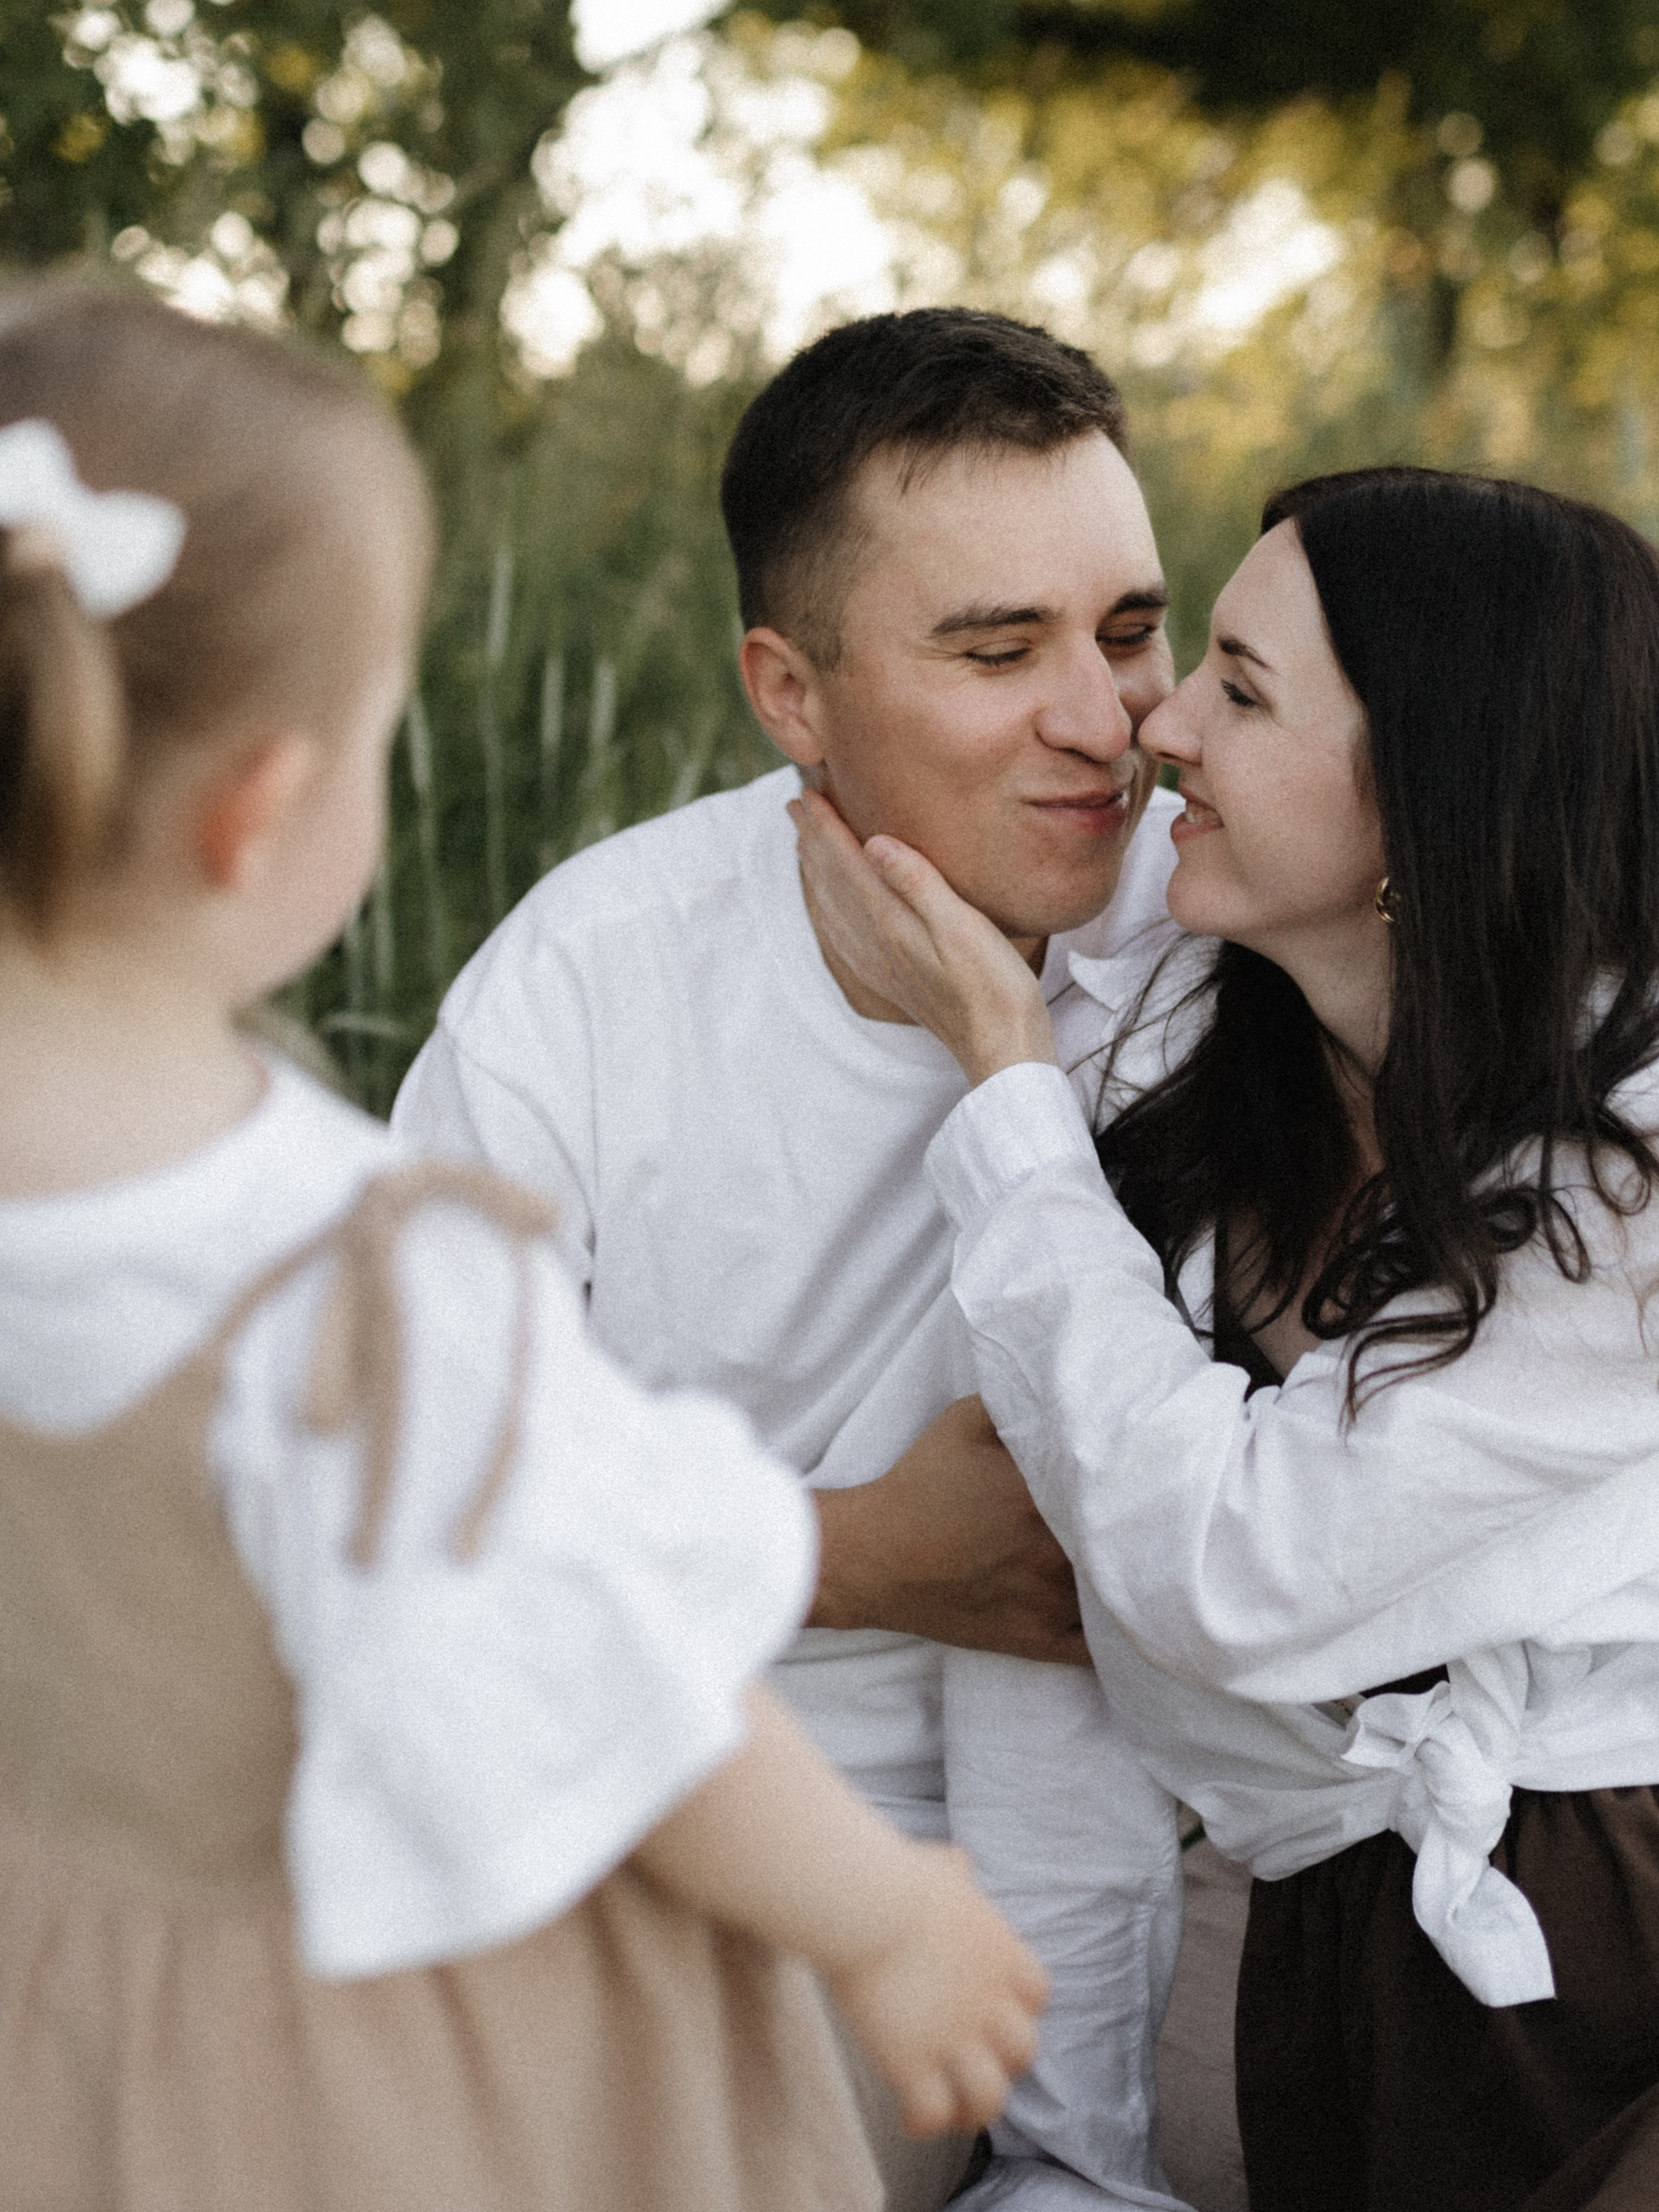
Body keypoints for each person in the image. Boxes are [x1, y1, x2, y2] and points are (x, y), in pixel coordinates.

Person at [0, 279, 1050, 2212]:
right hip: (318, 2045)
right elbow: (615, 1665)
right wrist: (885, 1916)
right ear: (267, 812)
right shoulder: (351, 1275)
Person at [395, 307, 1195, 2212]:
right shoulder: (590, 987)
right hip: (626, 1806)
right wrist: (855, 1553)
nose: (1106, 723)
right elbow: (396, 1518)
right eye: (999, 652)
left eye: (1136, 631)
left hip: (972, 1891)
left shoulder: (1225, 946)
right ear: (792, 690)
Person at [791, 462, 1659, 2212]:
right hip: (1308, 1959)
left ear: (1430, 795)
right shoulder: (1180, 1072)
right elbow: (1066, 1619)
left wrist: (1001, 1073)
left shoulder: (1630, 1177)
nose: (1155, 722)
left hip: (1605, 1939)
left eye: (1239, 691)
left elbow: (1226, 1567)